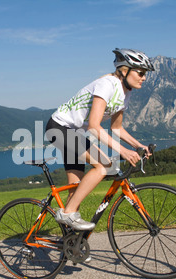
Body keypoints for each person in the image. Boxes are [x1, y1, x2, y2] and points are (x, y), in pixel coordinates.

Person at [45, 48, 154, 231]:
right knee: (103, 166)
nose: (144, 78)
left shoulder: (125, 93)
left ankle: (72, 246)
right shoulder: (107, 85)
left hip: (74, 132)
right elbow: (95, 127)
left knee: (76, 189)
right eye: (141, 73)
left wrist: (138, 146)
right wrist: (124, 151)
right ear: (125, 70)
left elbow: (116, 128)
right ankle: (66, 213)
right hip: (58, 128)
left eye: (145, 74)